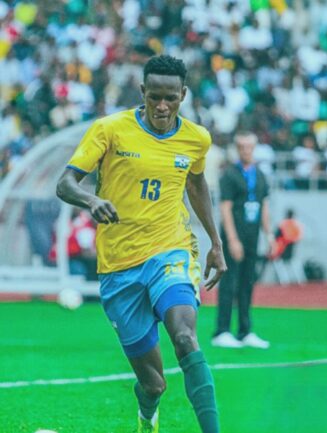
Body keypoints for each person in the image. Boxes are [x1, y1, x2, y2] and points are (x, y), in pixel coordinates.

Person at [56, 55, 227, 433]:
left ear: (183, 95)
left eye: (171, 98)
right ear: (142, 92)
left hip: (170, 250)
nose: (162, 106)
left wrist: (215, 243)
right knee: (153, 384)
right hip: (118, 266)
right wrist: (91, 200)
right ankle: (147, 415)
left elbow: (195, 182)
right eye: (155, 97)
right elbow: (65, 183)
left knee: (185, 337)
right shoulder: (110, 129)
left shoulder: (196, 138)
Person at [211, 131, 275, 349]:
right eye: (242, 147)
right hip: (235, 235)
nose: (246, 151)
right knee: (229, 282)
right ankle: (222, 330)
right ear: (237, 149)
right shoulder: (229, 175)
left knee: (248, 283)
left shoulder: (261, 176)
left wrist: (269, 235)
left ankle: (245, 330)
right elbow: (225, 208)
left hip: (252, 236)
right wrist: (232, 239)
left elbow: (264, 206)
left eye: (249, 147)